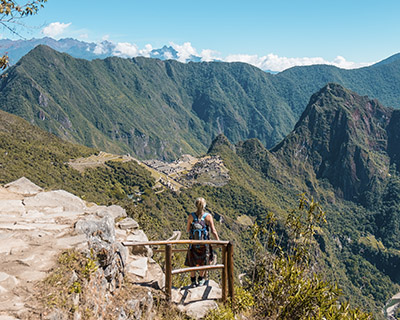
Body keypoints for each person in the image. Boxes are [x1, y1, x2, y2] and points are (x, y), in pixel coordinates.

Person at [185, 197, 219, 287]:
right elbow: (213, 231)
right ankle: (200, 279)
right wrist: (218, 241)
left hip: (193, 244)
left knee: (192, 261)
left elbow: (188, 230)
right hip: (204, 244)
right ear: (204, 205)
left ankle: (193, 281)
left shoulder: (191, 216)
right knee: (203, 261)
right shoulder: (208, 216)